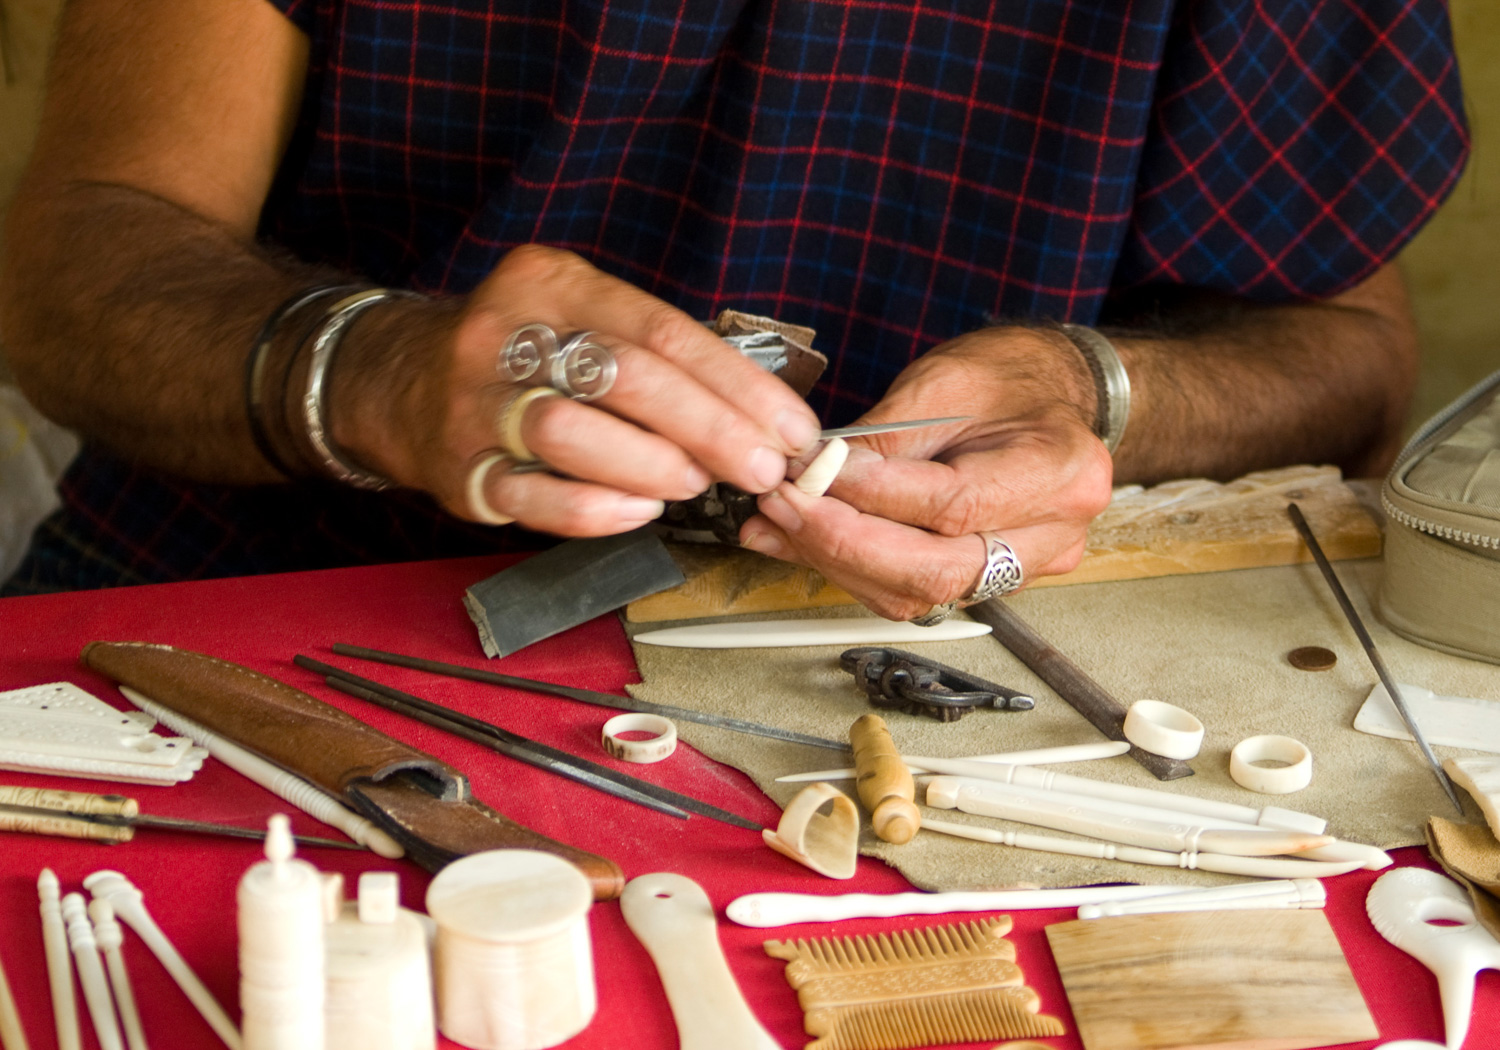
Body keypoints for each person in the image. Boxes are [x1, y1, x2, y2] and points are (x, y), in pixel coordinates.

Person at [0, 0, 1467, 622]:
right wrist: (374, 367)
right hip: (257, 598)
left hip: (890, 657)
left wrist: (1100, 398)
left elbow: (1350, 352)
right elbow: (76, 256)